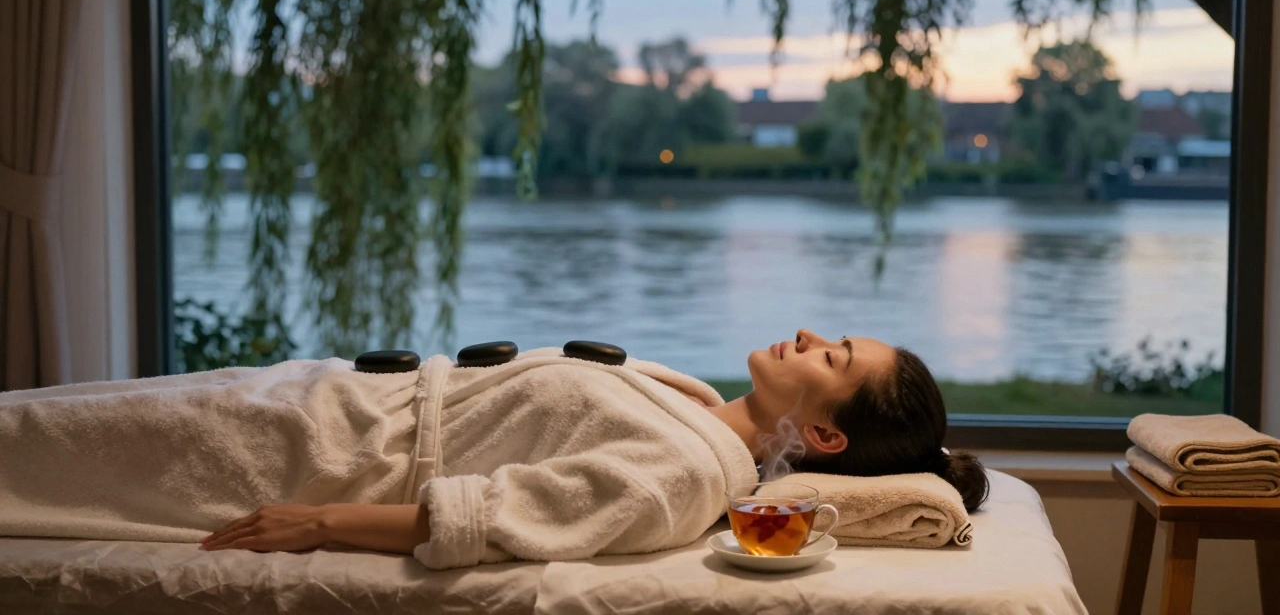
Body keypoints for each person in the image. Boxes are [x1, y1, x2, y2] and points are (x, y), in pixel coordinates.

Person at [0, 330, 985, 569]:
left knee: (38, 446)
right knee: (62, 412)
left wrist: (318, 522)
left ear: (821, 433)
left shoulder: (688, 474)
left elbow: (502, 516)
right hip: (330, 397)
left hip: (327, 452)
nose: (809, 335)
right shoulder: (693, 406)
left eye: (833, 354)